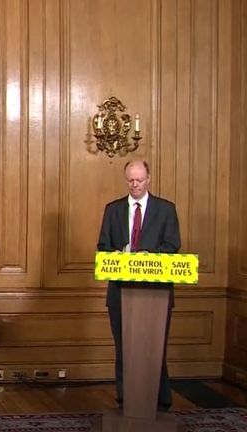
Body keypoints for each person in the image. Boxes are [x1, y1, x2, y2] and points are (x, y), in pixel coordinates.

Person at [97, 159, 181, 411]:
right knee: (125, 349)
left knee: (154, 349)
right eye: (130, 181)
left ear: (149, 179)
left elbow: (172, 246)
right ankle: (125, 400)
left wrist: (149, 257)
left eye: (139, 180)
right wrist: (119, 255)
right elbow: (103, 247)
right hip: (120, 294)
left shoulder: (166, 209)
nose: (135, 185)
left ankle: (160, 401)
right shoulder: (112, 210)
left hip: (156, 295)